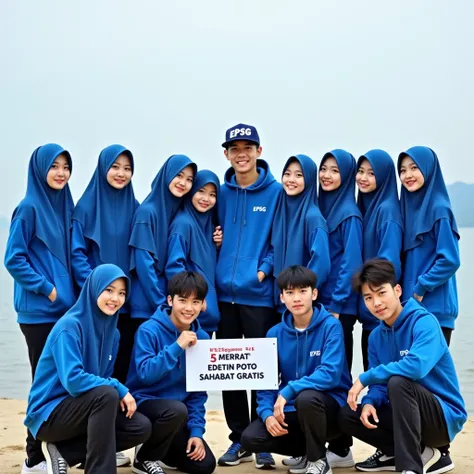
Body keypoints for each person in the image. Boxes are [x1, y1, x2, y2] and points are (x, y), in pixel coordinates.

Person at [340, 259, 467, 474]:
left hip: (442, 419)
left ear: (397, 290)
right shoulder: (376, 337)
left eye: (382, 293)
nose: (376, 303)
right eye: (368, 298)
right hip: (405, 413)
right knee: (348, 415)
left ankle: (411, 468)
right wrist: (370, 401)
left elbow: (416, 367)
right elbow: (380, 386)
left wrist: (364, 378)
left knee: (400, 382)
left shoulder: (424, 322)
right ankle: (403, 453)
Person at [24, 264, 152, 474]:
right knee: (107, 394)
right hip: (48, 415)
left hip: (82, 409)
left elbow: (102, 378)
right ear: (94, 289)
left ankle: (63, 452)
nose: (115, 299)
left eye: (121, 293)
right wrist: (118, 388)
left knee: (140, 427)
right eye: (108, 290)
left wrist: (114, 389)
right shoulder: (69, 327)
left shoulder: (114, 334)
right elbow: (73, 381)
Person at [4, 144, 76, 474]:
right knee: (41, 382)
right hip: (38, 313)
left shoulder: (64, 204)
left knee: (60, 381)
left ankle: (55, 446)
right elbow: (13, 258)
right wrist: (46, 288)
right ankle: (33, 457)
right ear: (40, 169)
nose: (61, 173)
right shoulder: (28, 207)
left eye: (65, 166)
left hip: (63, 310)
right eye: (54, 166)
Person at [241, 265, 353, 474]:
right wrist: (267, 414)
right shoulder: (274, 333)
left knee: (307, 398)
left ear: (314, 293)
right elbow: (266, 382)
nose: (297, 298)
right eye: (290, 293)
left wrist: (289, 390)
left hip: (331, 410)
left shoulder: (331, 326)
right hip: (294, 410)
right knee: (250, 439)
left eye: (303, 291)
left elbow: (330, 374)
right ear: (282, 297)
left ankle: (318, 461)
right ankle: (306, 451)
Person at [215, 124, 281, 469]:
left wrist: (263, 270)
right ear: (226, 153)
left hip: (258, 296)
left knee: (261, 372)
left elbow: (278, 239)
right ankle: (239, 438)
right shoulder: (219, 192)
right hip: (223, 297)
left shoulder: (275, 192)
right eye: (234, 147)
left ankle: (262, 440)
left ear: (259, 150)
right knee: (229, 371)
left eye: (248, 147)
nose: (241, 153)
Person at [126, 271, 216, 474]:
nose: (188, 308)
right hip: (144, 405)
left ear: (202, 304)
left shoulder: (201, 337)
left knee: (204, 465)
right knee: (175, 409)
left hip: (176, 417)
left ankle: (162, 450)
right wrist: (177, 346)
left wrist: (196, 432)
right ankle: (144, 458)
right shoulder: (148, 330)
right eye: (182, 300)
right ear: (170, 300)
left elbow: (198, 392)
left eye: (195, 302)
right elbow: (145, 374)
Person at [71, 144, 139, 382]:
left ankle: (121, 418)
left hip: (126, 303)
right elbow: (77, 255)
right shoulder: (85, 207)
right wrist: (96, 290)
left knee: (123, 364)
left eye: (127, 168)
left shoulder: (135, 208)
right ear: (102, 168)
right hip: (97, 302)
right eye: (115, 167)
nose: (121, 173)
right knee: (95, 363)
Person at [397, 146, 460, 346]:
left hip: (435, 309)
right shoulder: (408, 209)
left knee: (431, 376)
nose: (408, 175)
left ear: (428, 169)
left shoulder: (439, 208)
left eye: (414, 168)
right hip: (413, 309)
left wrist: (421, 287)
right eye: (403, 170)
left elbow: (450, 260)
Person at [128, 154, 197, 324]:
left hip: (167, 304)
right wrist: (161, 304)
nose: (183, 183)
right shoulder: (147, 212)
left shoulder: (178, 212)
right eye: (179, 176)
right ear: (166, 175)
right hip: (146, 306)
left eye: (189, 179)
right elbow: (144, 265)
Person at [356, 149, 403, 368]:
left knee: (381, 378)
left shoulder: (387, 210)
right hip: (372, 313)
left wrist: (373, 298)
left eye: (371, 173)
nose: (363, 178)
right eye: (360, 171)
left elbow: (388, 264)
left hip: (380, 312)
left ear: (384, 177)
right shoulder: (368, 206)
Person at [317, 149, 363, 372]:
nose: (326, 175)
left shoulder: (349, 214)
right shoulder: (320, 207)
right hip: (319, 301)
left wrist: (336, 305)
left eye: (335, 171)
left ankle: (345, 407)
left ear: (346, 176)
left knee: (338, 367)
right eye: (323, 169)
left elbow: (351, 263)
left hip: (339, 306)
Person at [272, 155, 330, 313]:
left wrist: (300, 295)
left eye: (299, 175)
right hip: (279, 300)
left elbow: (321, 262)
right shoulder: (281, 211)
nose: (291, 179)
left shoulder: (313, 217)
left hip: (298, 306)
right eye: (287, 173)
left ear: (310, 180)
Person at [165, 170, 221, 336]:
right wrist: (194, 301)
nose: (206, 199)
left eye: (212, 194)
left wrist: (218, 246)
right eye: (201, 191)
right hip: (193, 313)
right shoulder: (183, 223)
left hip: (207, 312)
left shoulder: (209, 223)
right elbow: (174, 267)